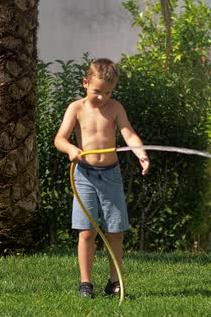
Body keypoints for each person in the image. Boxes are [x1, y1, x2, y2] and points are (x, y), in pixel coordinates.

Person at [54, 58, 150, 298]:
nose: (102, 97)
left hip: (111, 175)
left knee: (116, 231)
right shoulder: (76, 108)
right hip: (84, 175)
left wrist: (140, 153)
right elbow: (59, 139)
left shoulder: (115, 108)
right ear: (86, 83)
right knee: (87, 231)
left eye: (108, 92)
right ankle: (85, 283)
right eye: (97, 91)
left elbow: (128, 133)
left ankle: (114, 282)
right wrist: (71, 150)